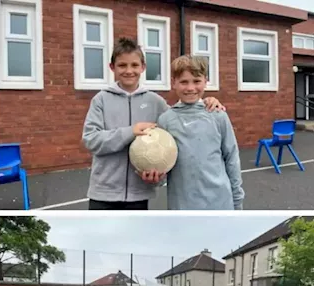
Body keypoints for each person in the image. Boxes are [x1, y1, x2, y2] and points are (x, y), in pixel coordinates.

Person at [82, 38, 224, 210]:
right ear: (112, 67)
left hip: (139, 194)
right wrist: (131, 131)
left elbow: (180, 120)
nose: (129, 71)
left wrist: (206, 102)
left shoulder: (155, 102)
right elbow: (90, 139)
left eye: (134, 65)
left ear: (143, 67)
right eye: (122, 65)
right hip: (103, 192)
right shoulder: (101, 100)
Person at [143, 55, 244, 210]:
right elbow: (162, 166)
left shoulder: (218, 115)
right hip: (182, 206)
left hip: (220, 203)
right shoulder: (166, 120)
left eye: (196, 81)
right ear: (174, 83)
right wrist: (156, 178)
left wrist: (237, 200)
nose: (190, 88)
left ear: (205, 81)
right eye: (184, 82)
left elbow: (232, 158)